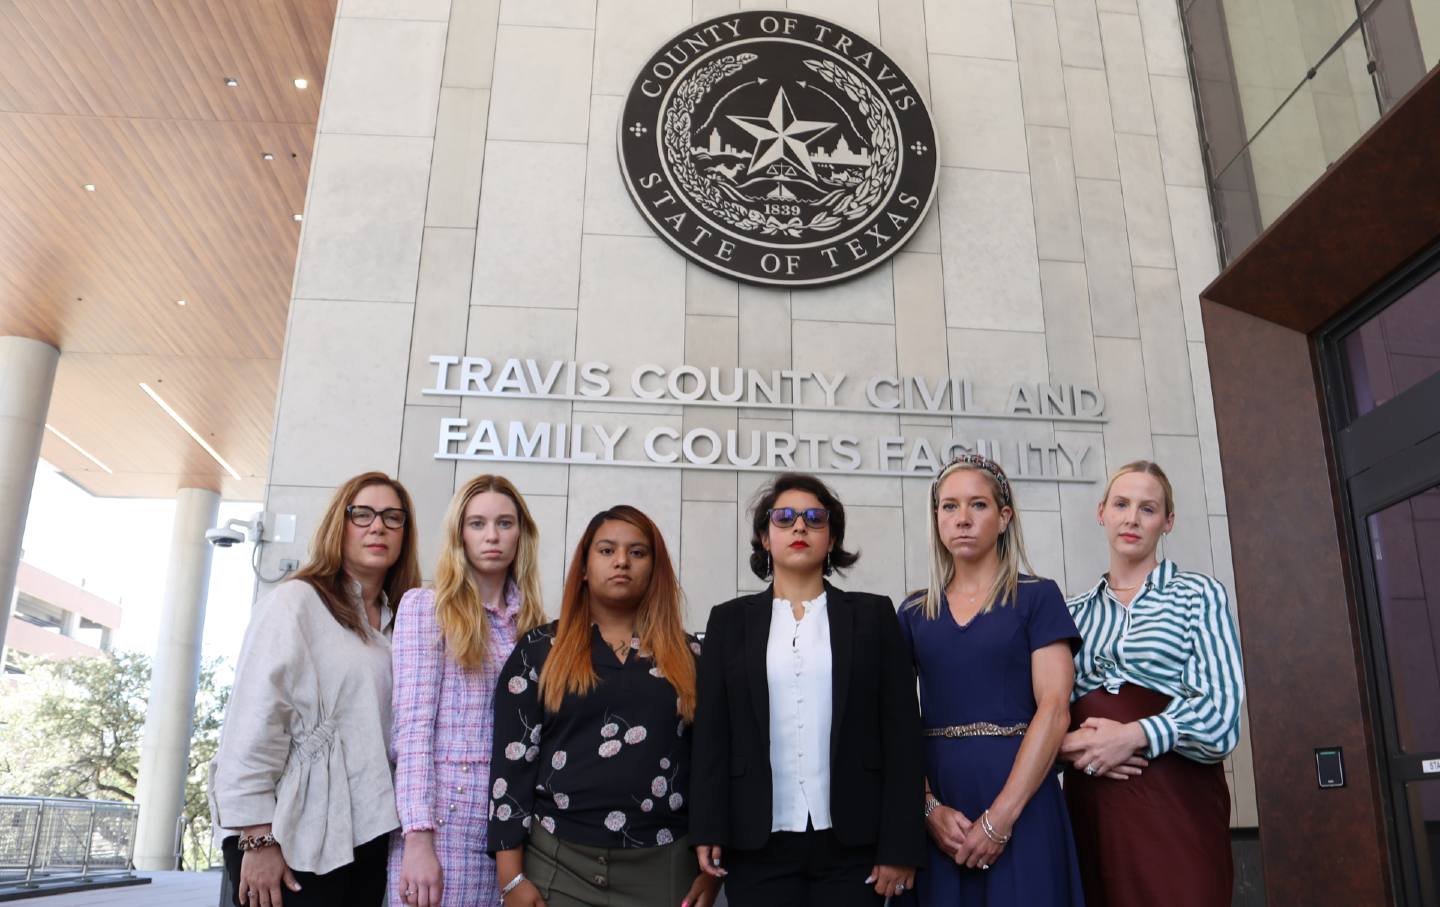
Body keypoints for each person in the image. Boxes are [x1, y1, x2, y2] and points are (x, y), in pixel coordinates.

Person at [691, 473, 924, 907]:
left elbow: (902, 737)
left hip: (855, 845)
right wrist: (707, 827)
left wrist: (900, 845)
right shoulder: (728, 622)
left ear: (832, 538)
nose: (800, 527)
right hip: (756, 844)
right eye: (785, 518)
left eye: (815, 518)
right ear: (764, 537)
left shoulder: (873, 617)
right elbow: (712, 736)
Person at [209, 472, 423, 907]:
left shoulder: (399, 622)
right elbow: (254, 720)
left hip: (365, 832)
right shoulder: (296, 603)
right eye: (361, 514)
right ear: (337, 525)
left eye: (392, 517)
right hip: (290, 834)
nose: (377, 526)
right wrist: (256, 837)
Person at [487, 506, 718, 907]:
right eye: (607, 550)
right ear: (584, 567)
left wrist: (710, 875)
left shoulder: (692, 656)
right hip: (557, 862)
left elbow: (712, 767)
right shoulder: (539, 651)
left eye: (638, 552)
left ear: (655, 568)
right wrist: (510, 877)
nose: (622, 562)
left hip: (664, 867)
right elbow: (512, 764)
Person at [897, 454, 1084, 906]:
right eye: (949, 506)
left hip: (1022, 798)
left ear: (1004, 518)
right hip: (942, 807)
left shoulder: (1038, 598)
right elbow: (897, 721)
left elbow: (1056, 708)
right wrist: (928, 809)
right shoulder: (914, 612)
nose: (962, 519)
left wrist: (1000, 818)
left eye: (978, 505)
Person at [1059, 460, 1244, 907]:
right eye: (1121, 504)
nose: (1132, 518)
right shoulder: (1070, 611)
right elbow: (1040, 714)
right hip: (1095, 805)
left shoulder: (1199, 595)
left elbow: (1221, 718)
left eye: (1148, 508)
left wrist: (1133, 735)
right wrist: (1069, 747)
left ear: (1168, 522)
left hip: (1176, 802)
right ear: (1101, 512)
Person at [390, 475, 549, 907]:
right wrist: (418, 840)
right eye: (477, 523)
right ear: (459, 532)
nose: (492, 536)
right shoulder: (427, 608)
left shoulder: (535, 626)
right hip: (446, 822)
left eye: (505, 523)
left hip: (517, 827)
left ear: (522, 533)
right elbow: (413, 730)